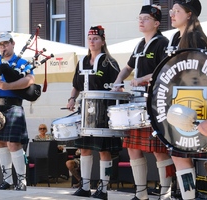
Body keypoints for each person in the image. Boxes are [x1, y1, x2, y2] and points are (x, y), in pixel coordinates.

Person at [112, 5, 175, 200]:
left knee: (158, 150)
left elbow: (163, 70)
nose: (141, 21)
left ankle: (166, 192)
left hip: (155, 101)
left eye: (145, 18)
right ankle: (141, 194)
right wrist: (118, 81)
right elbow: (128, 67)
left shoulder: (162, 43)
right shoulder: (140, 44)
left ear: (156, 23)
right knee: (132, 148)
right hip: (136, 102)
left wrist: (143, 79)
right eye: (139, 18)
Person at [66, 25, 122, 200]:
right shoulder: (82, 61)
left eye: (96, 38)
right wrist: (72, 99)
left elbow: (118, 86)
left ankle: (103, 189)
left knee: (104, 150)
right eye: (90, 38)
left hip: (104, 110)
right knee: (84, 149)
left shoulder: (109, 62)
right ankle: (84, 186)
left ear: (103, 41)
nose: (92, 41)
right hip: (85, 110)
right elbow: (76, 84)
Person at [0, 32, 34, 191]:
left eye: (5, 44)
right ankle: (7, 180)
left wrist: (8, 86)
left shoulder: (22, 62)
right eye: (0, 45)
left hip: (13, 106)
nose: (3, 47)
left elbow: (30, 80)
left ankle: (22, 182)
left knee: (14, 143)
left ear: (12, 44)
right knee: (0, 143)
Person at [167, 1, 207, 199]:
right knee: (178, 153)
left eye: (177, 11)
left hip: (199, 105)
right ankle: (189, 196)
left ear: (189, 14)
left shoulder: (197, 39)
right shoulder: (176, 38)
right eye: (171, 11)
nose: (172, 15)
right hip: (181, 105)